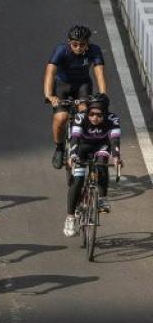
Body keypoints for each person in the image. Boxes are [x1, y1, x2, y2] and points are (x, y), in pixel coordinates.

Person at [44, 25, 107, 169]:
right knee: (61, 118)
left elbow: (99, 72)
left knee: (85, 114)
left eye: (82, 45)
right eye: (75, 44)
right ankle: (59, 148)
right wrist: (49, 95)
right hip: (62, 85)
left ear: (88, 43)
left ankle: (85, 143)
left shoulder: (94, 50)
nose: (78, 48)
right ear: (69, 42)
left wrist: (103, 94)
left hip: (82, 85)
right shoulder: (61, 50)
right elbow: (50, 72)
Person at [63, 93, 122, 237]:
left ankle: (102, 199)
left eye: (99, 115)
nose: (95, 118)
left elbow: (115, 140)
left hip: (102, 146)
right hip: (82, 147)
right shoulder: (80, 118)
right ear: (87, 112)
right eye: (92, 114)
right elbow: (75, 138)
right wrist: (72, 155)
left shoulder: (113, 119)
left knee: (102, 165)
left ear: (105, 113)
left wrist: (116, 157)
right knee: (77, 181)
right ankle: (70, 218)